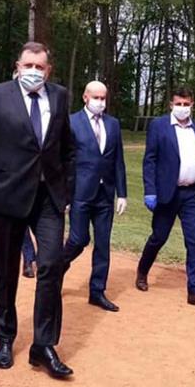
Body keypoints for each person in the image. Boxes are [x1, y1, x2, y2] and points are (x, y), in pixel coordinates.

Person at [0, 42, 75, 379]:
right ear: (17, 66)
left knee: (51, 265)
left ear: (48, 70)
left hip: (48, 198)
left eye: (40, 67)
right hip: (7, 197)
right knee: (6, 270)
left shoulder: (60, 96)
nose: (33, 72)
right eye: (28, 65)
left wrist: (68, 188)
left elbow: (67, 148)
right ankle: (5, 336)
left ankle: (43, 345)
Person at [135, 87, 195, 311]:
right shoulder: (159, 126)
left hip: (192, 194)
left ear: (192, 105)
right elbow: (150, 160)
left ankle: (194, 290)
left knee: (194, 241)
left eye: (186, 104)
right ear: (171, 105)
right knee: (159, 237)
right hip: (167, 193)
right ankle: (142, 270)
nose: (182, 107)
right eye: (178, 103)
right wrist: (150, 190)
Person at [62, 81, 127, 312]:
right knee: (78, 239)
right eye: (96, 98)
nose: (100, 102)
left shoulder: (113, 124)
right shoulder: (71, 122)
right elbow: (64, 161)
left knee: (102, 244)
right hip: (80, 192)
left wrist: (122, 194)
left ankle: (97, 291)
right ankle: (56, 268)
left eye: (103, 98)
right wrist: (65, 195)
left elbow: (118, 160)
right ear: (85, 97)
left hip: (105, 194)